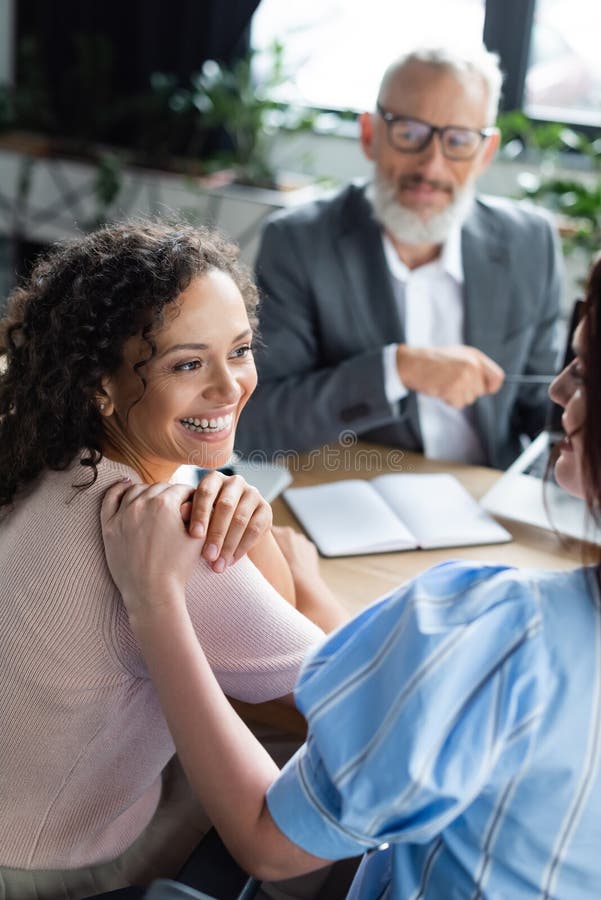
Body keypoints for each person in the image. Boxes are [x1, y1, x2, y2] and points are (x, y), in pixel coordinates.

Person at [101, 253, 601, 897]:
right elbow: (400, 694)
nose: (557, 390)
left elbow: (270, 844)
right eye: (190, 361)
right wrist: (305, 589)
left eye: (584, 373)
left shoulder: (495, 631)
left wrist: (156, 602)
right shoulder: (485, 638)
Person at [0, 221, 346, 899]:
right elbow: (356, 696)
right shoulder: (165, 538)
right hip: (55, 869)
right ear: (100, 385)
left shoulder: (43, 458)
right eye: (188, 364)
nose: (229, 388)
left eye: (239, 351)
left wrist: (245, 520)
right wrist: (304, 577)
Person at [235, 45, 563, 469]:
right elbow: (256, 423)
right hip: (357, 494)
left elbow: (548, 414)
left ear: (485, 153)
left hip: (489, 500)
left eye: (459, 141)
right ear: (370, 135)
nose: (431, 166)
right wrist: (396, 369)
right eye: (410, 133)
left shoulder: (529, 244)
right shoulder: (299, 242)